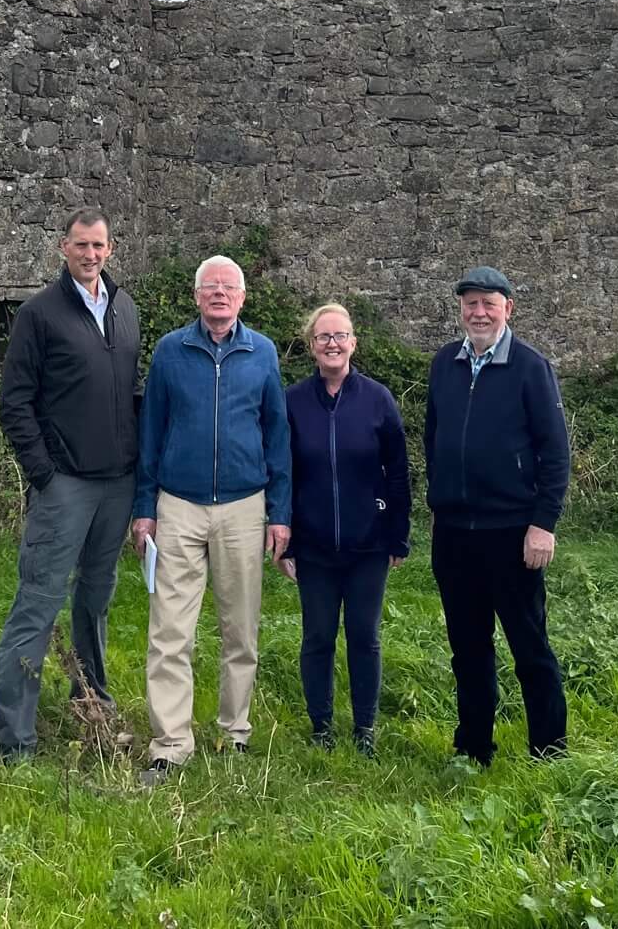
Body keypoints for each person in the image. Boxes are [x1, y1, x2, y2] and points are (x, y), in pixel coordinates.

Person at [131, 254, 292, 783]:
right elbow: (151, 429)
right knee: (170, 630)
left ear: (243, 299)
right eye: (210, 287)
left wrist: (279, 513)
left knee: (239, 628)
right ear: (196, 296)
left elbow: (278, 435)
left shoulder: (262, 352)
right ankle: (171, 742)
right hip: (177, 504)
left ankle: (234, 732)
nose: (219, 294)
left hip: (245, 506)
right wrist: (144, 508)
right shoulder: (171, 352)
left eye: (229, 287)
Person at [0, 208, 140, 760]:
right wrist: (44, 475)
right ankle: (14, 740)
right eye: (81, 245)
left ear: (111, 248)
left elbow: (126, 393)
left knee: (95, 600)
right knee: (39, 603)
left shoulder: (125, 310)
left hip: (117, 485)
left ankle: (91, 707)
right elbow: (15, 402)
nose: (90, 254)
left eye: (99, 245)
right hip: (65, 486)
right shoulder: (39, 314)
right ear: (63, 247)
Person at [423, 264, 571, 764]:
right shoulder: (445, 364)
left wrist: (543, 523)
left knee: (529, 647)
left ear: (509, 308)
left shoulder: (531, 367)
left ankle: (548, 750)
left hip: (512, 532)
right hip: (455, 535)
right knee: (468, 649)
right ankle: (474, 748)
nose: (479, 312)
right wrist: (437, 504)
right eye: (470, 303)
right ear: (461, 311)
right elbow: (434, 439)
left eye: (489, 302)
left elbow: (555, 452)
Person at [279, 302, 411, 755]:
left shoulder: (378, 399)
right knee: (317, 636)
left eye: (340, 336)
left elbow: (398, 471)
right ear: (311, 346)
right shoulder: (293, 401)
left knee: (364, 635)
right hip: (313, 546)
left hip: (368, 544)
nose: (332, 344)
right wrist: (284, 538)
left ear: (354, 342)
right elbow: (283, 471)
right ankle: (321, 727)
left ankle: (365, 729)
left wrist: (397, 533)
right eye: (323, 337)